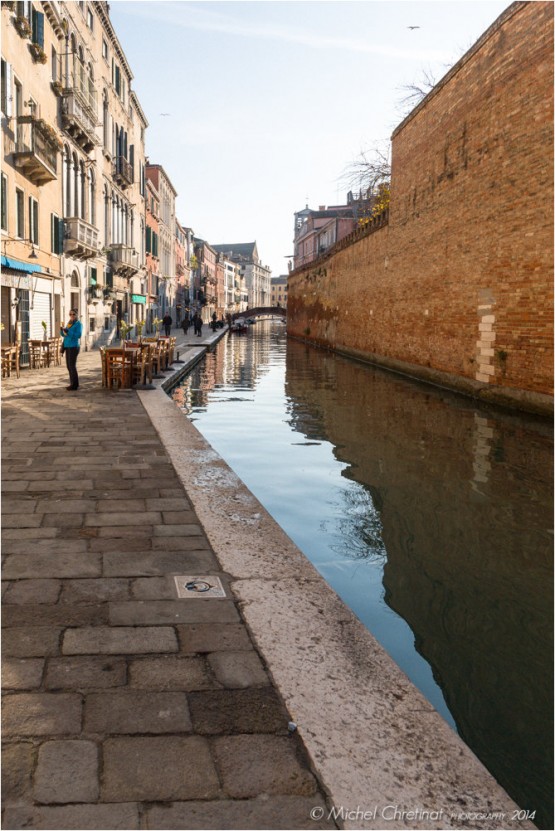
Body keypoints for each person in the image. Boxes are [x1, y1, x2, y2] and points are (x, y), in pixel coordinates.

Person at [60, 309, 82, 391]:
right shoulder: (69, 323)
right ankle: (72, 383)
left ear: (76, 315)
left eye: (73, 314)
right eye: (70, 314)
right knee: (68, 366)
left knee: (72, 366)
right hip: (67, 346)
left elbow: (78, 335)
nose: (72, 316)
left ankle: (75, 385)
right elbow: (65, 335)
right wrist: (61, 331)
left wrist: (68, 331)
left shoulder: (78, 324)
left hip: (74, 346)